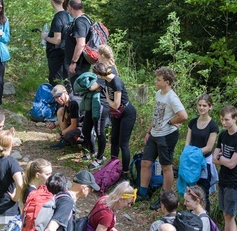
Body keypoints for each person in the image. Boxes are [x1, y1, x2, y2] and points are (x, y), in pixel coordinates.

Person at [138, 67, 187, 209]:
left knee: (166, 166)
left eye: (158, 80)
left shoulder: (172, 97)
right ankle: (142, 193)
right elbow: (156, 114)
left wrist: (171, 122)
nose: (156, 82)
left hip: (167, 136)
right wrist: (148, 132)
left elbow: (183, 115)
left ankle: (165, 199)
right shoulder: (159, 93)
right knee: (145, 162)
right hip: (155, 133)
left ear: (167, 82)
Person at [91, 61, 136, 177]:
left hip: (127, 113)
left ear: (99, 74)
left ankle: (125, 173)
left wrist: (107, 98)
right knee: (114, 140)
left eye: (96, 75)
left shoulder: (116, 82)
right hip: (117, 113)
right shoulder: (107, 80)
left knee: (123, 144)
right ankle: (113, 166)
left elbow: (116, 104)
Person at [184, 93, 219, 212]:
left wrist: (193, 154)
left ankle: (205, 221)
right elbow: (187, 143)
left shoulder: (213, 126)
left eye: (204, 105)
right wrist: (188, 156)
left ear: (210, 107)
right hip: (191, 163)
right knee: (191, 193)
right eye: (200, 105)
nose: (202, 108)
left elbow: (209, 147)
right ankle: (191, 219)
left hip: (204, 162)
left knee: (203, 194)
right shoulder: (192, 122)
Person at [41, 0, 71, 85]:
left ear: (51, 1)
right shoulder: (67, 15)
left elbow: (57, 40)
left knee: (56, 82)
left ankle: (57, 99)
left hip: (56, 55)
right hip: (65, 53)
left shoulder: (58, 18)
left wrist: (45, 37)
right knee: (65, 81)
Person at [66, 0, 92, 85]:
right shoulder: (86, 18)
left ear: (70, 7)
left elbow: (81, 44)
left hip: (79, 64)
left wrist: (74, 62)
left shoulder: (80, 21)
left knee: (77, 89)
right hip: (82, 62)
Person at [49, 84, 82, 148]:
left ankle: (66, 139)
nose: (58, 99)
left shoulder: (73, 103)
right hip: (77, 124)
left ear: (66, 93)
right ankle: (65, 140)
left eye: (59, 95)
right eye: (56, 97)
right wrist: (54, 124)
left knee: (69, 135)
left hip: (84, 128)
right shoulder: (66, 101)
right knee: (61, 110)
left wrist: (61, 133)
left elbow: (74, 125)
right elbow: (69, 117)